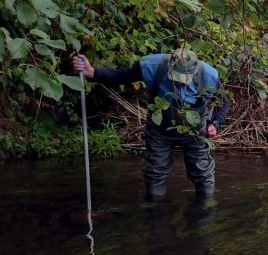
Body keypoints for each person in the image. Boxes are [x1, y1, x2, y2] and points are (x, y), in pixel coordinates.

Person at [73, 49, 229, 199]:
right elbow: (122, 76)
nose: (178, 84)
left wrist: (215, 123)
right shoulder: (152, 66)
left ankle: (207, 208)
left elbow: (223, 103)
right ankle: (155, 210)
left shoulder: (209, 76)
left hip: (194, 132)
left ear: (194, 71)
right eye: (175, 79)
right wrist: (92, 72)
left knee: (203, 172)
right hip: (159, 130)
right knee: (155, 172)